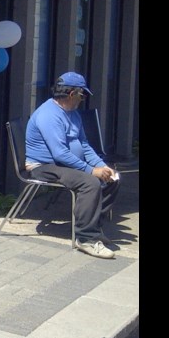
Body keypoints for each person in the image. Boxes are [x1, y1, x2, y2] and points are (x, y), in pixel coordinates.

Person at [25, 72, 120, 259]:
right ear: (71, 94)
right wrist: (92, 171)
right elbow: (59, 153)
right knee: (90, 183)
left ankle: (93, 227)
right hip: (44, 166)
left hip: (64, 164)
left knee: (112, 179)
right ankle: (86, 239)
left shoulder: (73, 114)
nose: (82, 99)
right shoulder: (48, 115)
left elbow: (84, 144)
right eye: (82, 95)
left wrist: (102, 166)